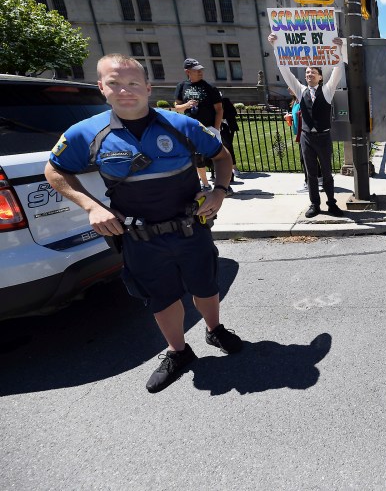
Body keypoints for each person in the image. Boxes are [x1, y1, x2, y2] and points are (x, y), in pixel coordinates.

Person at [44, 54, 242, 394]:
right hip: (140, 237)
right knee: (160, 298)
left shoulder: (182, 126)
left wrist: (220, 192)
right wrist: (91, 207)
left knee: (206, 285)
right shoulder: (86, 133)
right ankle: (178, 352)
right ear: (101, 88)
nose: (125, 90)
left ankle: (214, 329)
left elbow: (222, 157)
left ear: (148, 88)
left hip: (191, 229)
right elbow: (54, 171)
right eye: (115, 83)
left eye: (133, 83)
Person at [268, 33, 345, 218]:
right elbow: (285, 71)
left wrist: (339, 50)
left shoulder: (327, 91)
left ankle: (332, 203)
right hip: (307, 137)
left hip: (324, 137)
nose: (309, 74)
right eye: (307, 72)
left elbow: (338, 70)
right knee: (310, 174)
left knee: (327, 174)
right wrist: (276, 47)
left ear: (320, 77)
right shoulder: (300, 91)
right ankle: (314, 204)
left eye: (313, 72)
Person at [174, 58, 223, 191]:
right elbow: (177, 106)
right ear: (187, 72)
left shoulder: (210, 87)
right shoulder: (182, 86)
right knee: (197, 157)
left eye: (201, 70)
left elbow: (219, 109)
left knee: (217, 157)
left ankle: (223, 185)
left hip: (209, 127)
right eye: (196, 70)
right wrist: (186, 105)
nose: (200, 72)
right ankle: (205, 184)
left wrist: (216, 129)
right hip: (191, 128)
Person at [220, 94, 241, 182]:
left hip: (227, 127)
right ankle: (230, 168)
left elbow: (232, 113)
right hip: (222, 127)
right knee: (225, 147)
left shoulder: (225, 101)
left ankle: (233, 168)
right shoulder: (215, 102)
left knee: (228, 146)